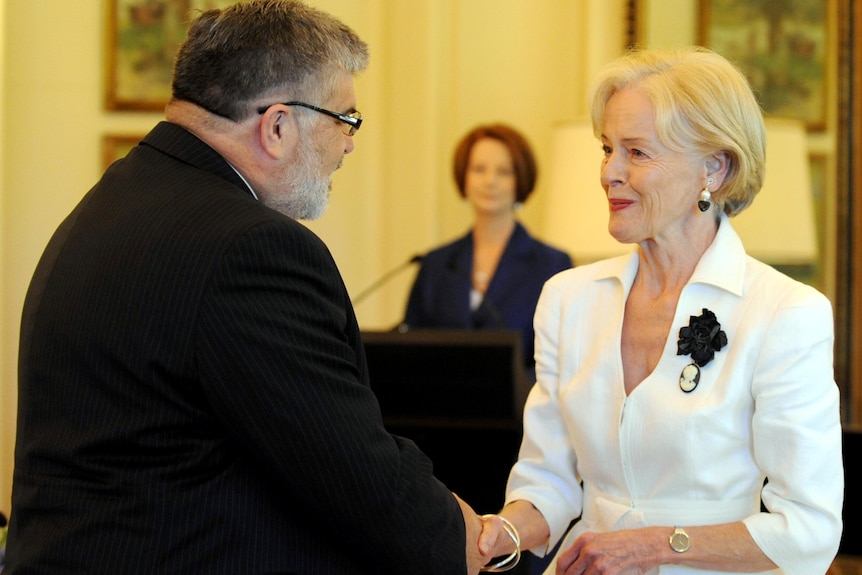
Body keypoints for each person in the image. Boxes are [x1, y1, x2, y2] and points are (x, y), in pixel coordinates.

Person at [5, 2, 489, 573]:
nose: (349, 145)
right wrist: (474, 538)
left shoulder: (111, 202)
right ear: (278, 125)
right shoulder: (252, 249)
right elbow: (350, 470)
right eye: (346, 120)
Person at [476, 47, 844, 575]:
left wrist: (650, 546)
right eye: (606, 149)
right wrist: (500, 532)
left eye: (637, 152)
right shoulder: (567, 298)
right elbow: (549, 480)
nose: (609, 173)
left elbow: (808, 530)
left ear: (713, 169)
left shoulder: (786, 313)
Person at [403, 124, 572, 379]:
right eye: (479, 169)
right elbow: (412, 347)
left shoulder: (552, 265)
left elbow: (563, 361)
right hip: (441, 412)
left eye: (504, 172)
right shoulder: (435, 264)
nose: (490, 181)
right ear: (464, 177)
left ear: (521, 179)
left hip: (522, 413)